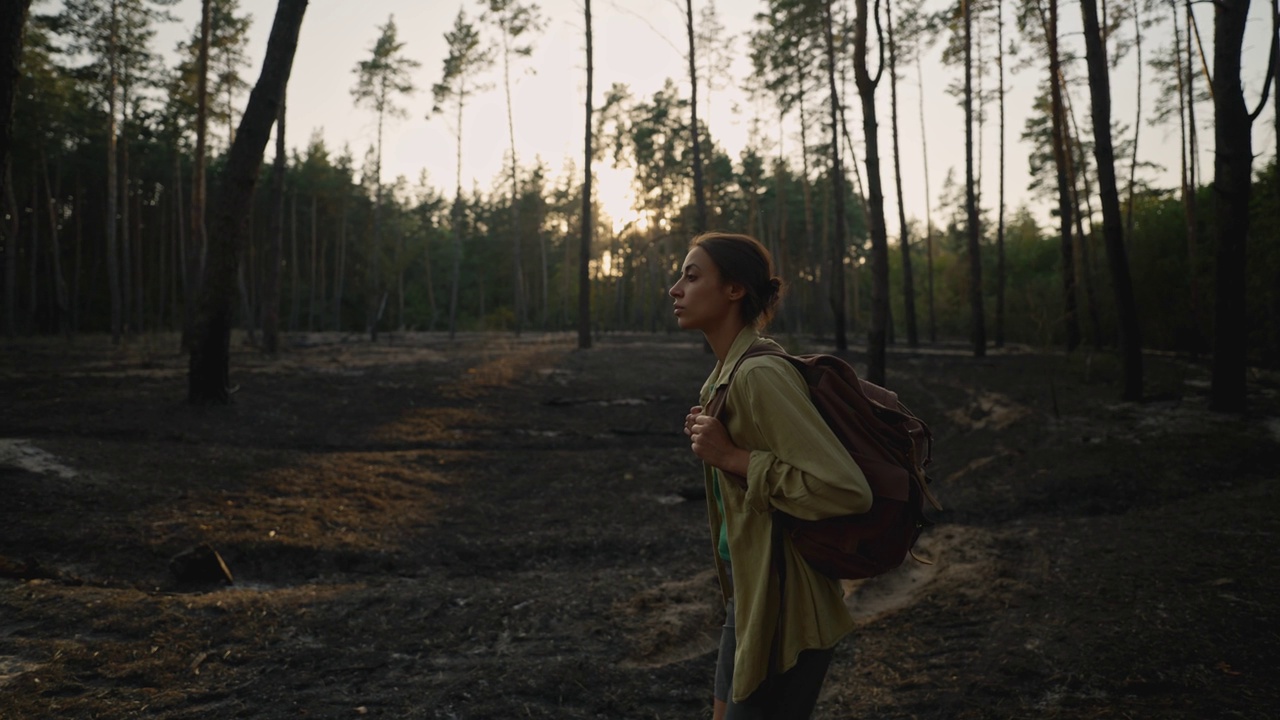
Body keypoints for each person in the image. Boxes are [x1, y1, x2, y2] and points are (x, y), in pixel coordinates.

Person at [670, 232, 873, 720]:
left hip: (786, 609)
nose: (675, 289)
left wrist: (733, 458)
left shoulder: (759, 375)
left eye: (692, 276)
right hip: (751, 597)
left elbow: (846, 490)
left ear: (734, 290)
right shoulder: (724, 375)